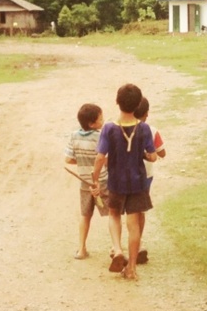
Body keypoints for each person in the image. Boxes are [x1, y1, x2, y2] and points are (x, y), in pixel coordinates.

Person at [92, 83, 158, 281]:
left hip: (116, 182)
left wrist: (95, 178)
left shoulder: (109, 128)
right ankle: (131, 268)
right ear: (138, 104)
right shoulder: (144, 128)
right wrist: (145, 155)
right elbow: (153, 157)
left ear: (117, 102)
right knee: (134, 224)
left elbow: (100, 157)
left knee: (114, 215)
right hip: (137, 182)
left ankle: (118, 250)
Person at [64, 103, 108, 260]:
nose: (103, 121)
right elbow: (106, 159)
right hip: (101, 180)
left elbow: (68, 159)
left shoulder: (73, 135)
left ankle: (81, 249)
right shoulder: (101, 136)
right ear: (92, 123)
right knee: (112, 214)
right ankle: (113, 248)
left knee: (85, 215)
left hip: (84, 182)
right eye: (101, 118)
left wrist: (83, 162)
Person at [131, 95, 166, 265]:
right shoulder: (152, 130)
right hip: (145, 176)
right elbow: (162, 153)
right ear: (147, 113)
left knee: (126, 211)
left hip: (125, 174)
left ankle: (121, 245)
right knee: (140, 211)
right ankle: (138, 244)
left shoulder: (121, 128)